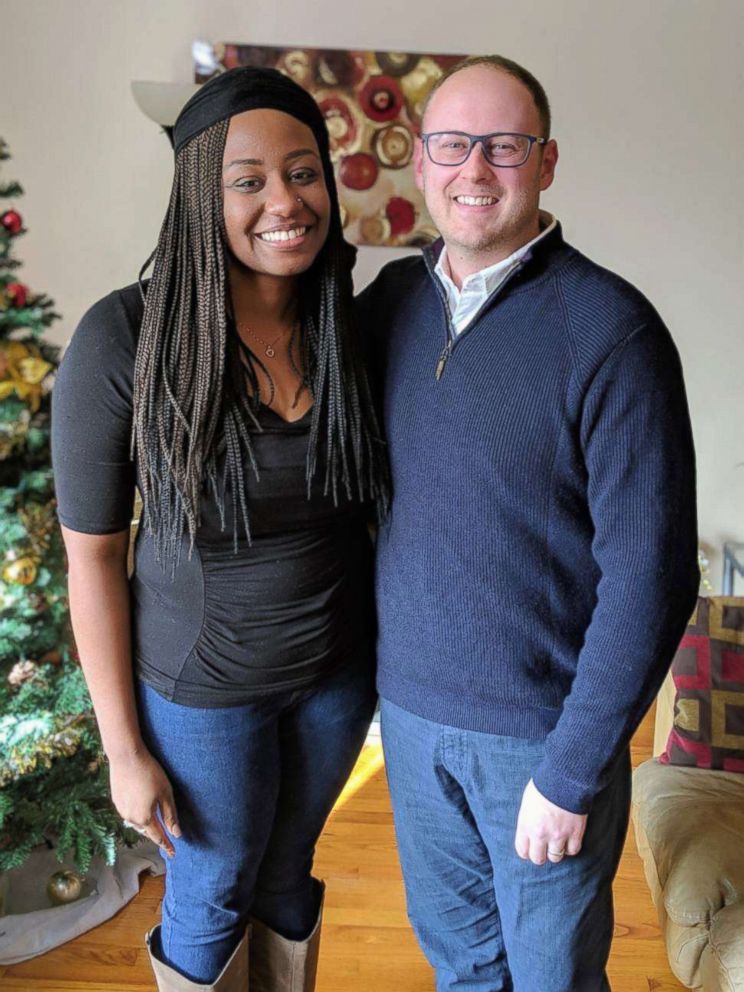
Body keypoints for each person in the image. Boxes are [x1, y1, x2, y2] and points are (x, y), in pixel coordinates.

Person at [360, 55, 698, 991]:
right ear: (420, 164)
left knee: (553, 977)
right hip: (414, 722)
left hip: (540, 739)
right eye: (453, 146)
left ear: (546, 162)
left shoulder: (612, 330)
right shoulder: (389, 306)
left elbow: (654, 577)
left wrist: (574, 768)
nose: (476, 170)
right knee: (462, 967)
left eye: (504, 147)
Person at [51, 66, 388, 992]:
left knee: (288, 874)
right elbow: (94, 560)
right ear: (202, 194)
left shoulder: (346, 329)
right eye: (248, 179)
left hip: (333, 678)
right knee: (211, 885)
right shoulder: (123, 339)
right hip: (202, 694)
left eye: (303, 171)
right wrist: (123, 751)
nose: (284, 201)